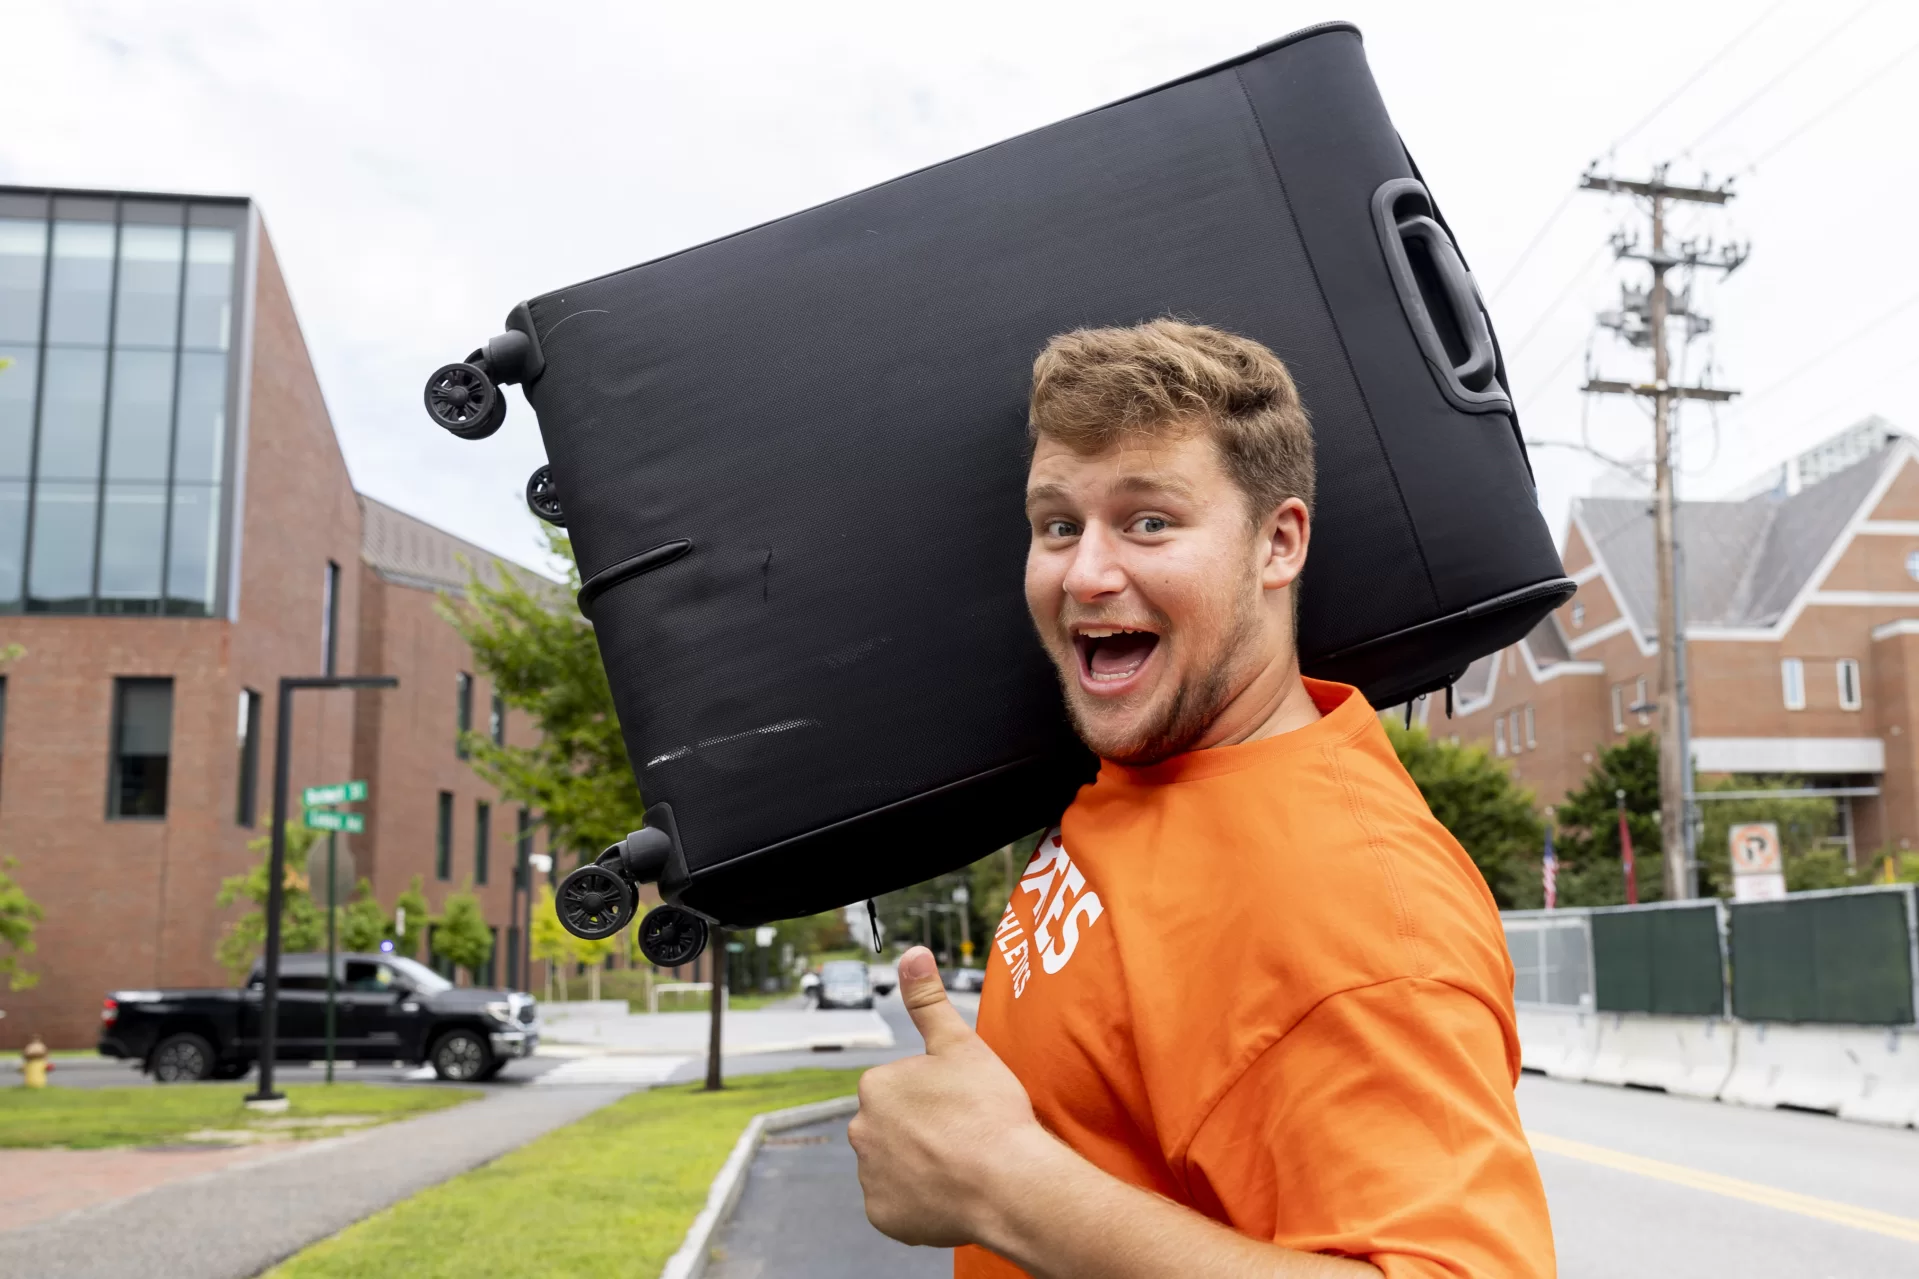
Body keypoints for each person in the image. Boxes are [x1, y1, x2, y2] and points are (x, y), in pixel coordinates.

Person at [849, 320, 1555, 1277]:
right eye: (1059, 525)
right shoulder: (1158, 760)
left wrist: (1003, 1186)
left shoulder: (1349, 907)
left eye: (1149, 521)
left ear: (1277, 542)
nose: (1086, 574)